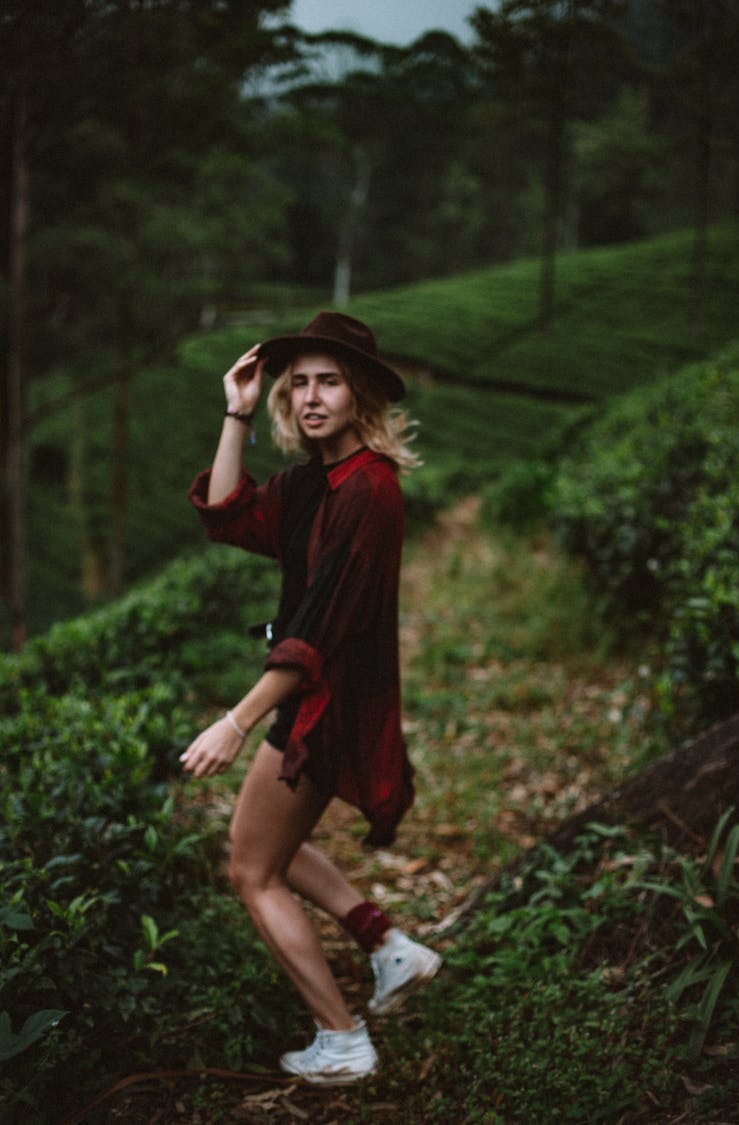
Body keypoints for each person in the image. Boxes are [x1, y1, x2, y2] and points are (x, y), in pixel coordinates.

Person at [182, 311, 442, 1086]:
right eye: (298, 385)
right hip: (323, 696)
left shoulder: (369, 491)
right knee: (271, 848)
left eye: (328, 381)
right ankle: (389, 945)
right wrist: (236, 408)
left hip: (327, 702)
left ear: (359, 394)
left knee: (250, 866)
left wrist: (235, 719)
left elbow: (314, 631)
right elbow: (229, 513)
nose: (310, 397)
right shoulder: (311, 484)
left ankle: (342, 1036)